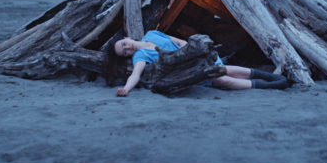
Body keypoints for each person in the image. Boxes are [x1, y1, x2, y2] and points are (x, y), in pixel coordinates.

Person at [110, 30, 288, 97]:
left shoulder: (151, 34)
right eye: (124, 52)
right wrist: (126, 89)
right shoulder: (140, 56)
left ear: (126, 37)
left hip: (197, 55)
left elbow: (179, 41)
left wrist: (193, 52)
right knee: (221, 80)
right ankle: (267, 86)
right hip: (190, 70)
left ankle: (267, 76)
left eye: (124, 44)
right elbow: (136, 74)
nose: (127, 48)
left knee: (222, 69)